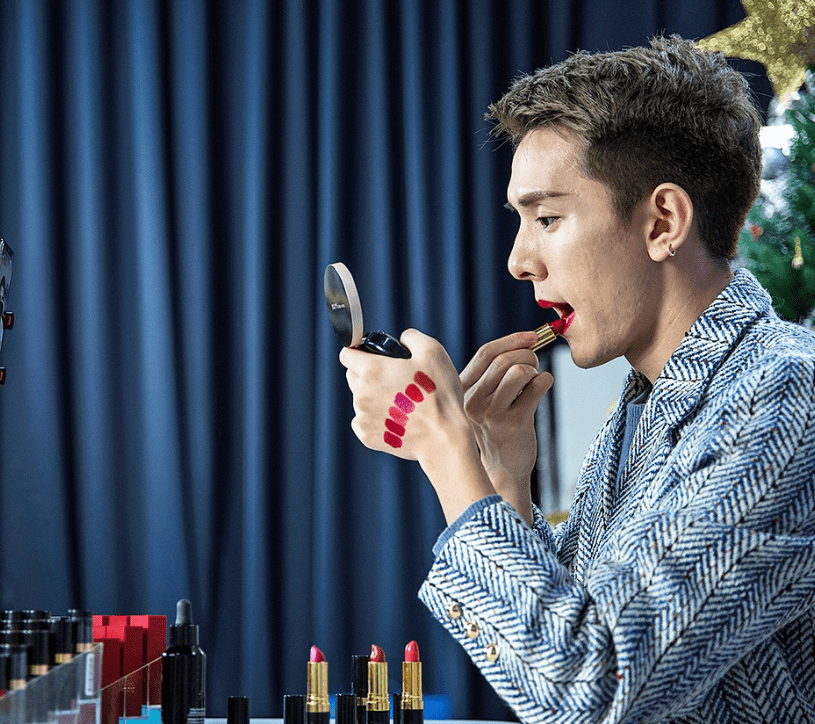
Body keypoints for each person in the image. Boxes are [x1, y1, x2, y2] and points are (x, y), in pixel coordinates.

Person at [339, 36, 815, 723]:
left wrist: (447, 453)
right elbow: (572, 631)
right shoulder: (645, 405)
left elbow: (594, 687)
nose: (518, 261)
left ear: (663, 222)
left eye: (549, 218)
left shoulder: (784, 396)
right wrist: (502, 479)